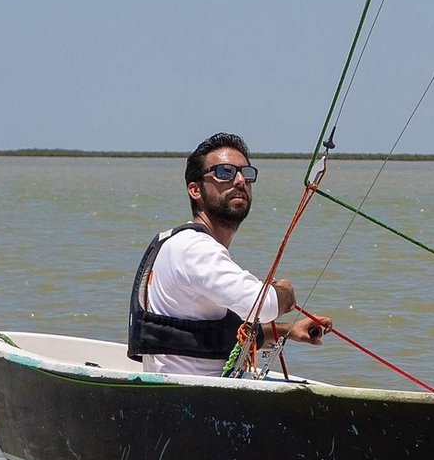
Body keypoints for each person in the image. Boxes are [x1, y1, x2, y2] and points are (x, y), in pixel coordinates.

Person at [128, 134, 328, 378]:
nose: (240, 180)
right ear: (195, 189)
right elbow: (265, 306)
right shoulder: (194, 248)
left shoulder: (180, 243)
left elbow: (210, 334)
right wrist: (285, 292)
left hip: (200, 388)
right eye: (225, 172)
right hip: (195, 392)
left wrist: (288, 330)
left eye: (246, 173)